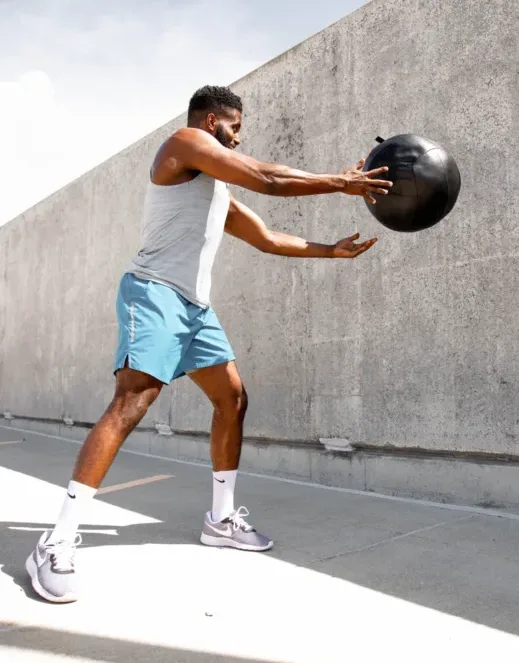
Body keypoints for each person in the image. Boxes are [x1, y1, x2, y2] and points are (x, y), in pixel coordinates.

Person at [26, 85, 392, 603]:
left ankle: (220, 519)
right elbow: (267, 178)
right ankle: (56, 540)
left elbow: (266, 237)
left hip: (196, 308)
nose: (240, 136)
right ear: (211, 119)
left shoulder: (217, 189)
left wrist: (329, 251)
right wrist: (341, 182)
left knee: (232, 398)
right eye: (234, 126)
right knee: (134, 400)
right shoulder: (184, 142)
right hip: (153, 292)